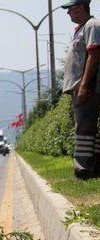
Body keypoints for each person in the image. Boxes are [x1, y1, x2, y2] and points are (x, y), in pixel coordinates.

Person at [63, 0, 100, 179]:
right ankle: (93, 167)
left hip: (87, 89)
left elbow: (94, 54)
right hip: (80, 88)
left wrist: (84, 85)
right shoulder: (81, 28)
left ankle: (83, 169)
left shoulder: (92, 25)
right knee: (87, 129)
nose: (68, 13)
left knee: (84, 129)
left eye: (70, 9)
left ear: (80, 8)